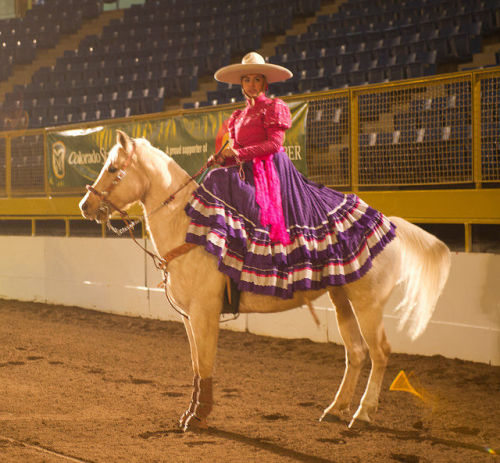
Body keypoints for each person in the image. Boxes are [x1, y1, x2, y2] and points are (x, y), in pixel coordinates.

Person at [184, 52, 396, 299]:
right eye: (247, 80)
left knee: (219, 181)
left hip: (272, 170)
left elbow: (274, 145)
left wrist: (238, 154)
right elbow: (237, 154)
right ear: (241, 84)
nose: (251, 84)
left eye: (256, 79)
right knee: (216, 177)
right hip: (249, 169)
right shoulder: (237, 117)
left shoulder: (274, 107)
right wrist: (224, 158)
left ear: (264, 83)